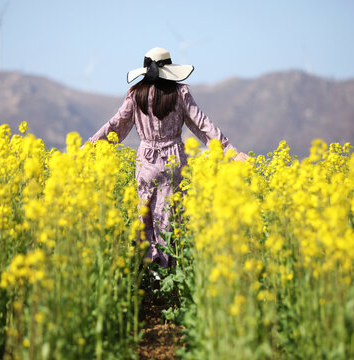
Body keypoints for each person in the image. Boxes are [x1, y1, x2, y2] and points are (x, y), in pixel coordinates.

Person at [86, 47, 248, 268]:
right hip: (173, 159)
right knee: (170, 218)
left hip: (146, 161)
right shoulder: (180, 93)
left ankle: (148, 269)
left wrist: (88, 149)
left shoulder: (136, 94)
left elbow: (115, 126)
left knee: (145, 215)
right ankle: (168, 271)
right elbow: (202, 125)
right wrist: (231, 152)